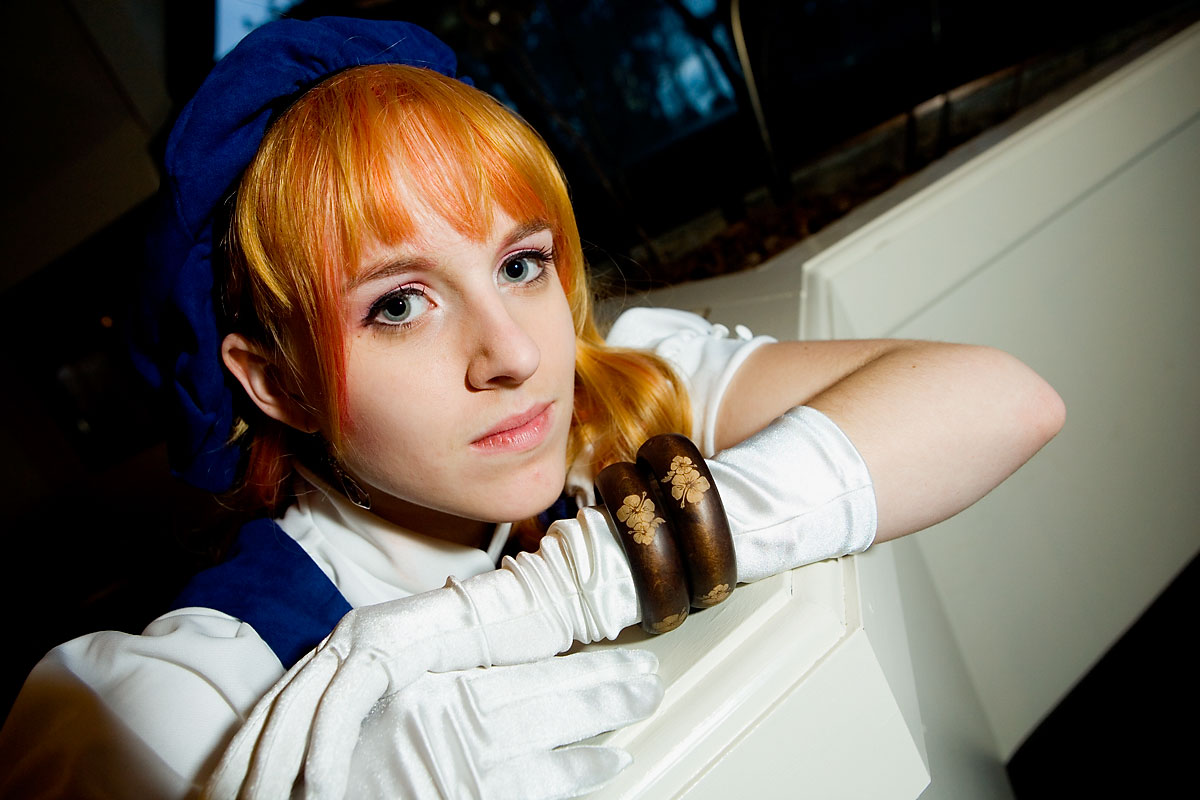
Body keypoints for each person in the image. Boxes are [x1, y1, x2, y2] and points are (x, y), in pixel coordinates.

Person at [0, 15, 1064, 800]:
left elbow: (1003, 399)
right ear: (280, 382)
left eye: (520, 263)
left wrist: (576, 584)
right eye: (399, 304)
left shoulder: (619, 391)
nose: (514, 353)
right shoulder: (190, 692)